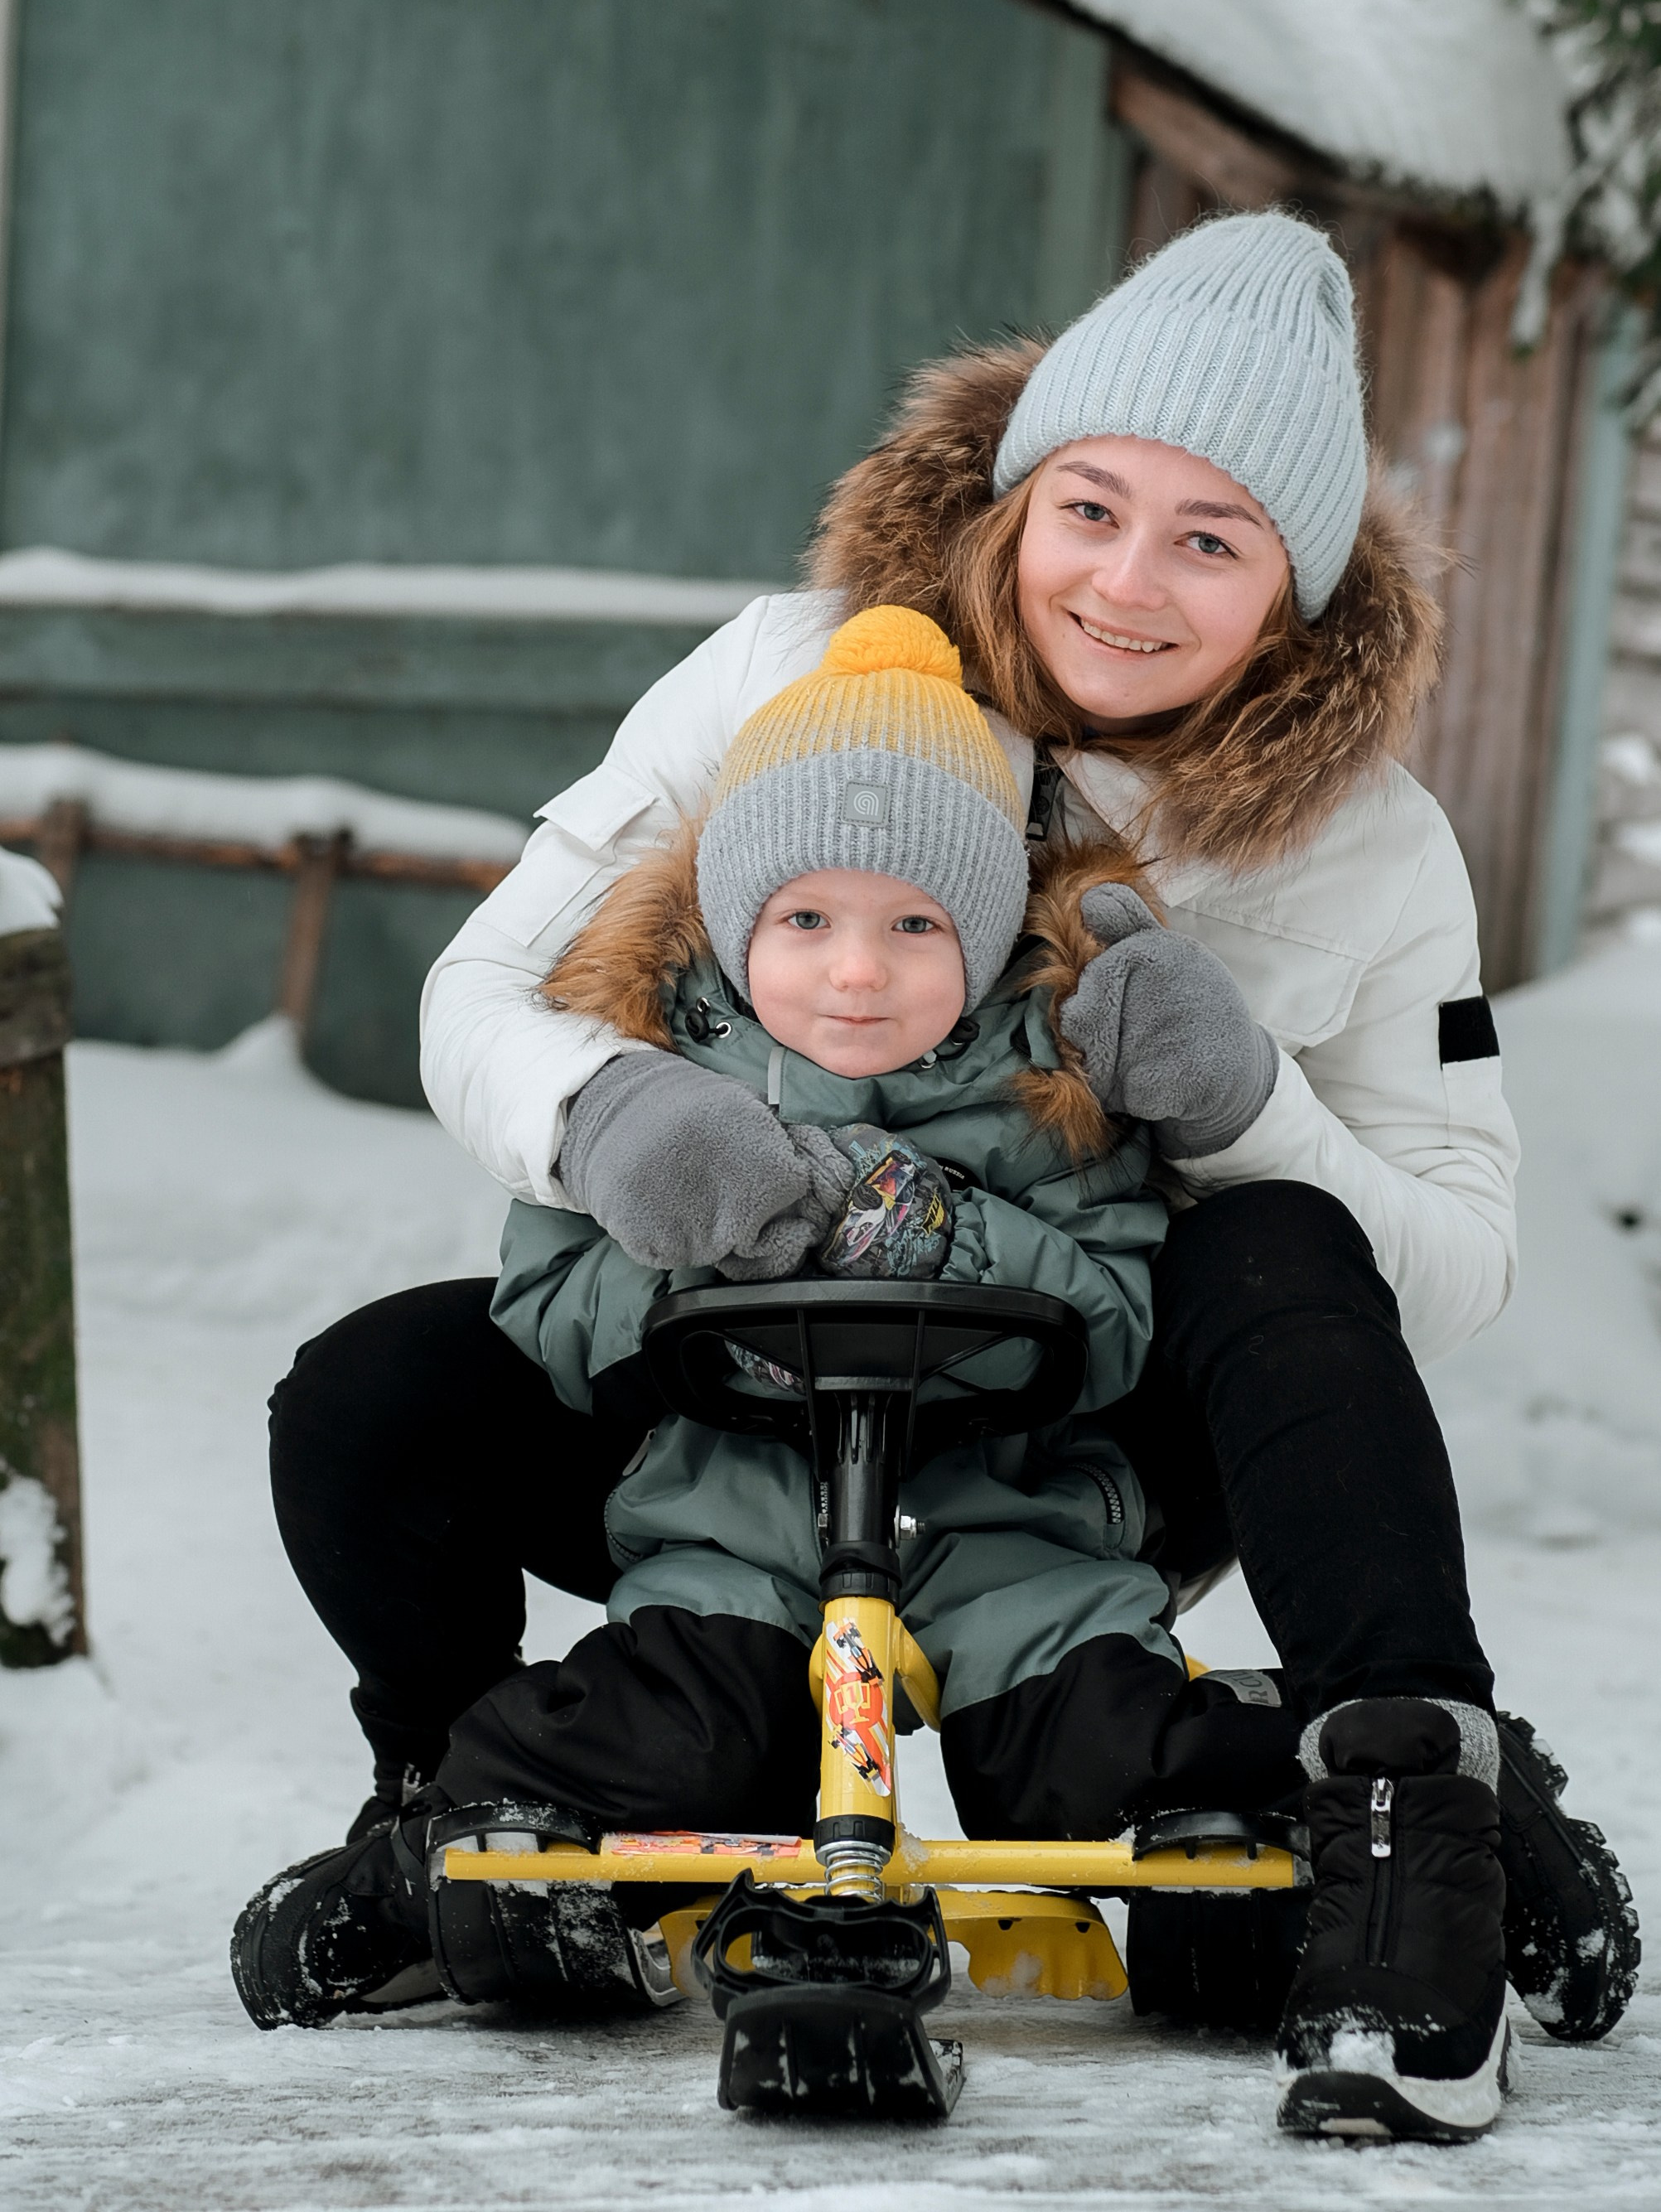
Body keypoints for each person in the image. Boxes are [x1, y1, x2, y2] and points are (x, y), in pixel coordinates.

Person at [265, 214, 1636, 2138]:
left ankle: (1411, 1815)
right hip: (728, 1393)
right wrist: (606, 1115)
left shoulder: (1372, 846)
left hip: (1077, 1418)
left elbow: (1459, 1254)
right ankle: (456, 1821)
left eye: (1212, 540)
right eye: (1091, 507)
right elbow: (485, 989)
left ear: (1297, 592)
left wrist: (1243, 1105)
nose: (1127, 582)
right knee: (370, 1393)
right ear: (1014, 494)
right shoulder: (789, 674)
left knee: (1275, 1238)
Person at [236, 609, 1314, 2024]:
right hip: (732, 1536)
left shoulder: (1047, 1087)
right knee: (663, 1748)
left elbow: (1115, 1319)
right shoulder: (658, 1068)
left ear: (984, 934)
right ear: (739, 920)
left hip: (1011, 1541)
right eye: (806, 921)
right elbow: (546, 1300)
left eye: (915, 926)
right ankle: (440, 1847)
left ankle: (1307, 1814)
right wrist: (705, 1254)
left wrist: (941, 1231)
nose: (856, 970)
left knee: (1095, 1766)